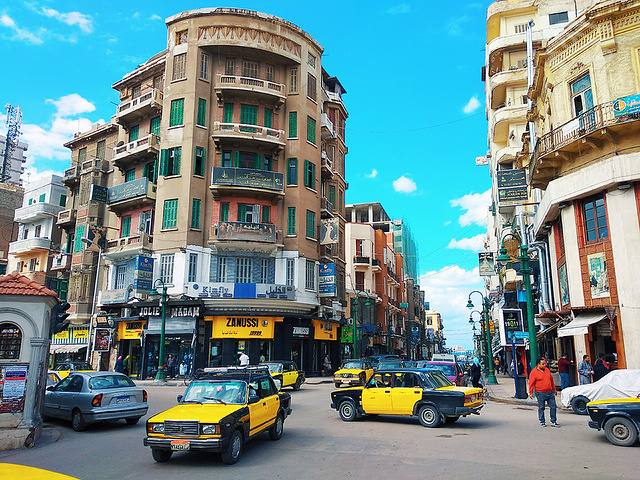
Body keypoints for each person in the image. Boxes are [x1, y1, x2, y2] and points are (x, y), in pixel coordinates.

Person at [529, 357, 559, 427]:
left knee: (553, 406)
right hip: (540, 393)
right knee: (541, 407)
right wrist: (531, 393)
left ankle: (553, 421)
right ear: (538, 364)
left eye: (544, 364)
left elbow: (551, 380)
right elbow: (531, 383)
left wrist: (554, 389)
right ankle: (542, 421)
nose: (544, 365)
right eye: (543, 364)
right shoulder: (534, 372)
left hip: (550, 392)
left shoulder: (547, 370)